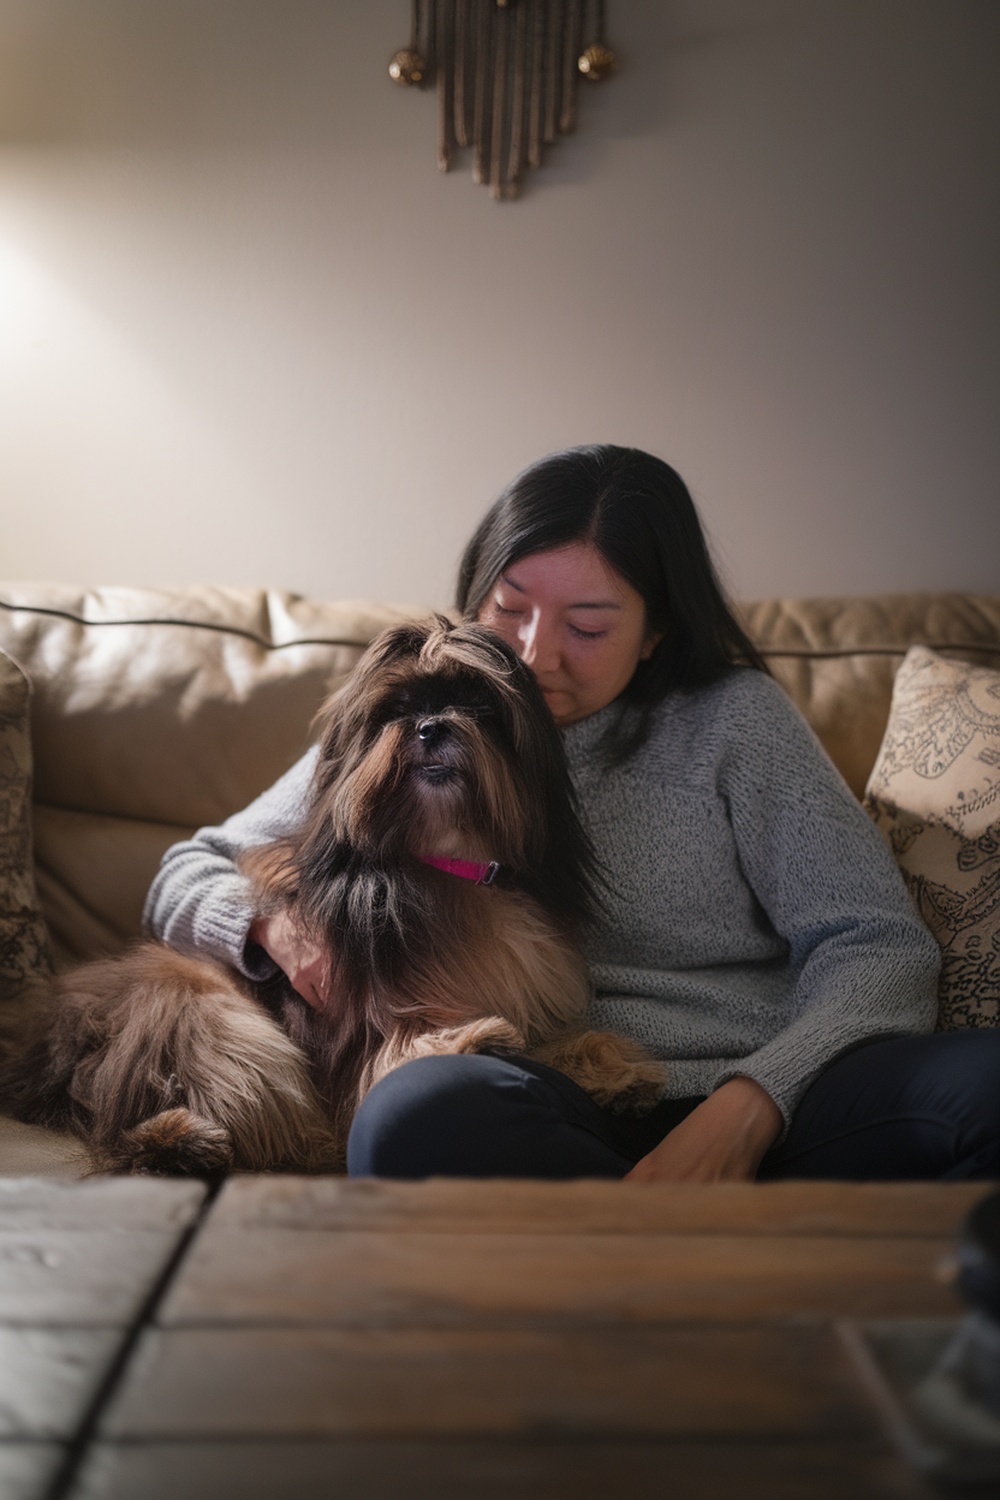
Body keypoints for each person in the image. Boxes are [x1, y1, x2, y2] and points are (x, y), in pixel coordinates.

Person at [144, 446, 1000, 1182]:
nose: (533, 654)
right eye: (508, 609)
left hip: (775, 1092)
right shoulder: (424, 724)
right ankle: (667, 1252)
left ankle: (638, 1245)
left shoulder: (734, 723)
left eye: (587, 626)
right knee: (415, 1114)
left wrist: (751, 1106)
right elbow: (189, 869)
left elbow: (874, 944)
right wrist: (282, 935)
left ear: (657, 629)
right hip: (554, 1095)